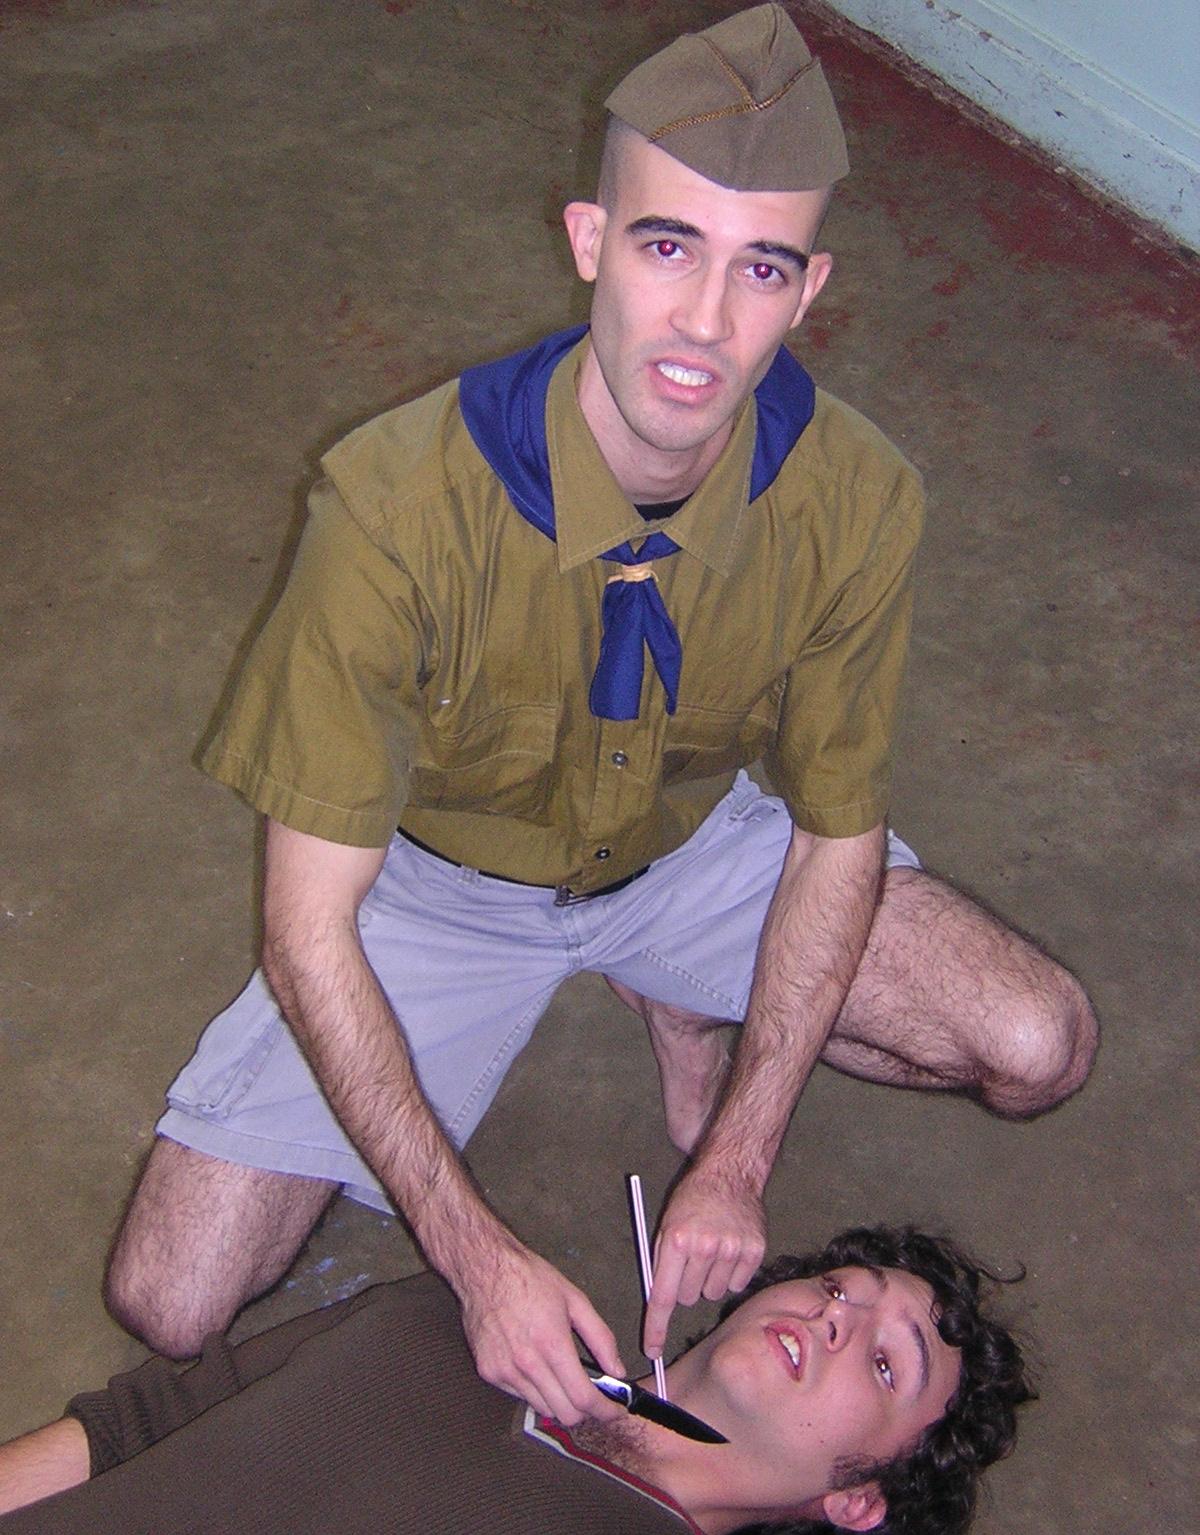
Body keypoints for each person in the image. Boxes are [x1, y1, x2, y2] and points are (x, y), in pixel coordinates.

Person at [104, 6, 1096, 1423]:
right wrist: (477, 1257)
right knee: (172, 1300)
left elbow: (833, 838)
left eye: (760, 267)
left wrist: (739, 1156)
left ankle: (677, 988)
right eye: (666, 246)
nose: (705, 322)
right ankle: (650, 993)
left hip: (690, 850)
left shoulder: (858, 496)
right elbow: (308, 929)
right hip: (437, 891)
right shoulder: (391, 511)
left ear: (809, 290)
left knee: (1037, 1046)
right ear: (589, 240)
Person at [0, 1226, 1032, 1535]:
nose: (837, 1315)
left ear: (860, 1500)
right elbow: (130, 1427)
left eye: (885, 1364)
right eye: (843, 1286)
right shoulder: (450, 1317)